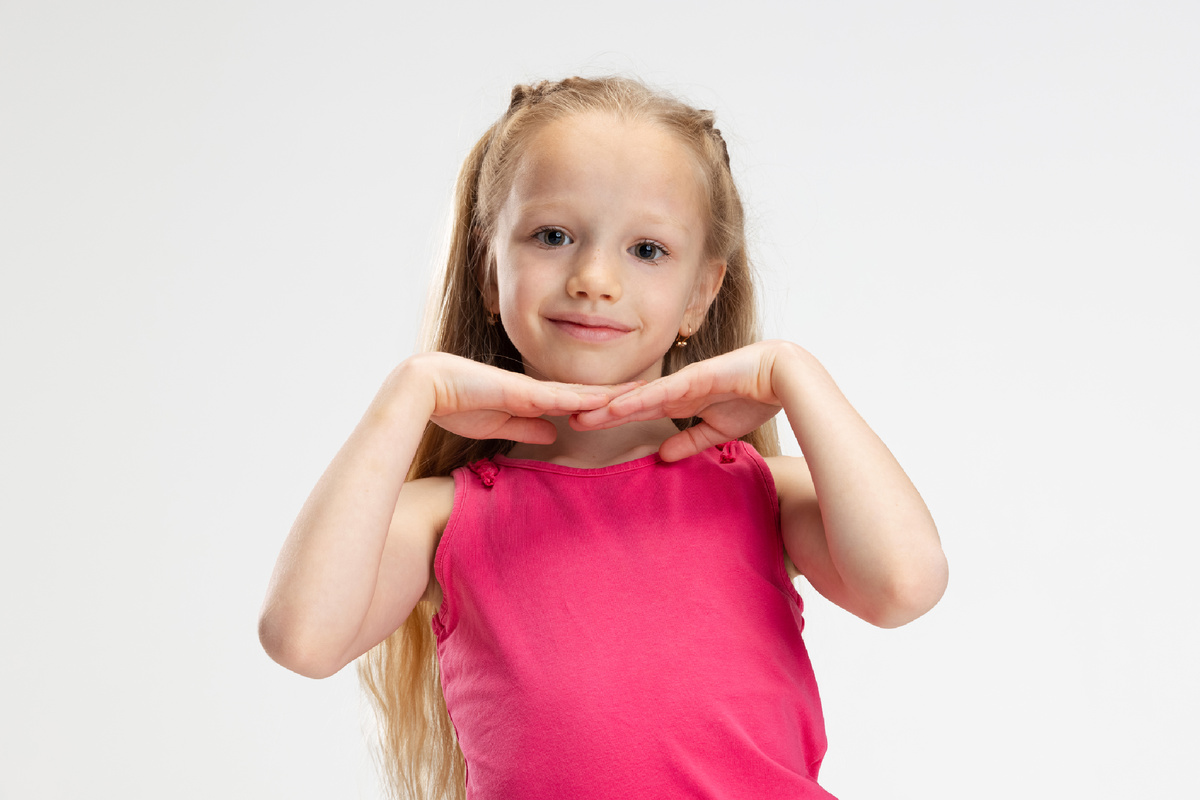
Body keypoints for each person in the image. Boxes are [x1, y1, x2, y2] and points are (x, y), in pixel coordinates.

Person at [259, 76, 948, 800]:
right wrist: (411, 393)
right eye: (552, 236)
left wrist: (795, 374)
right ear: (489, 273)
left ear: (700, 295)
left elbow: (904, 587)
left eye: (646, 249)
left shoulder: (762, 493)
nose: (594, 278)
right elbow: (302, 638)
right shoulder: (444, 516)